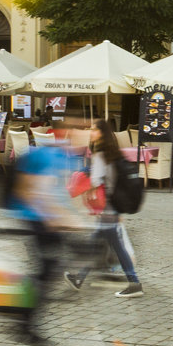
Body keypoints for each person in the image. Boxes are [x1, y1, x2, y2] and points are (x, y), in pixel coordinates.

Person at [6, 132, 85, 346]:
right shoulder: (47, 156)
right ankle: (22, 323)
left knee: (52, 268)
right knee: (44, 270)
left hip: (49, 216)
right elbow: (30, 192)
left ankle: (23, 315)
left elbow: (60, 194)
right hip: (31, 215)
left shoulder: (67, 158)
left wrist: (71, 220)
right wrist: (56, 219)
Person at [63, 120, 143, 298]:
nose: (91, 132)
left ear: (101, 133)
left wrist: (87, 186)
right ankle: (79, 277)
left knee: (114, 246)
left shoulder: (100, 153)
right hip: (112, 206)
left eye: (94, 129)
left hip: (108, 207)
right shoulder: (112, 151)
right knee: (96, 244)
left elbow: (97, 180)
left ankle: (134, 282)